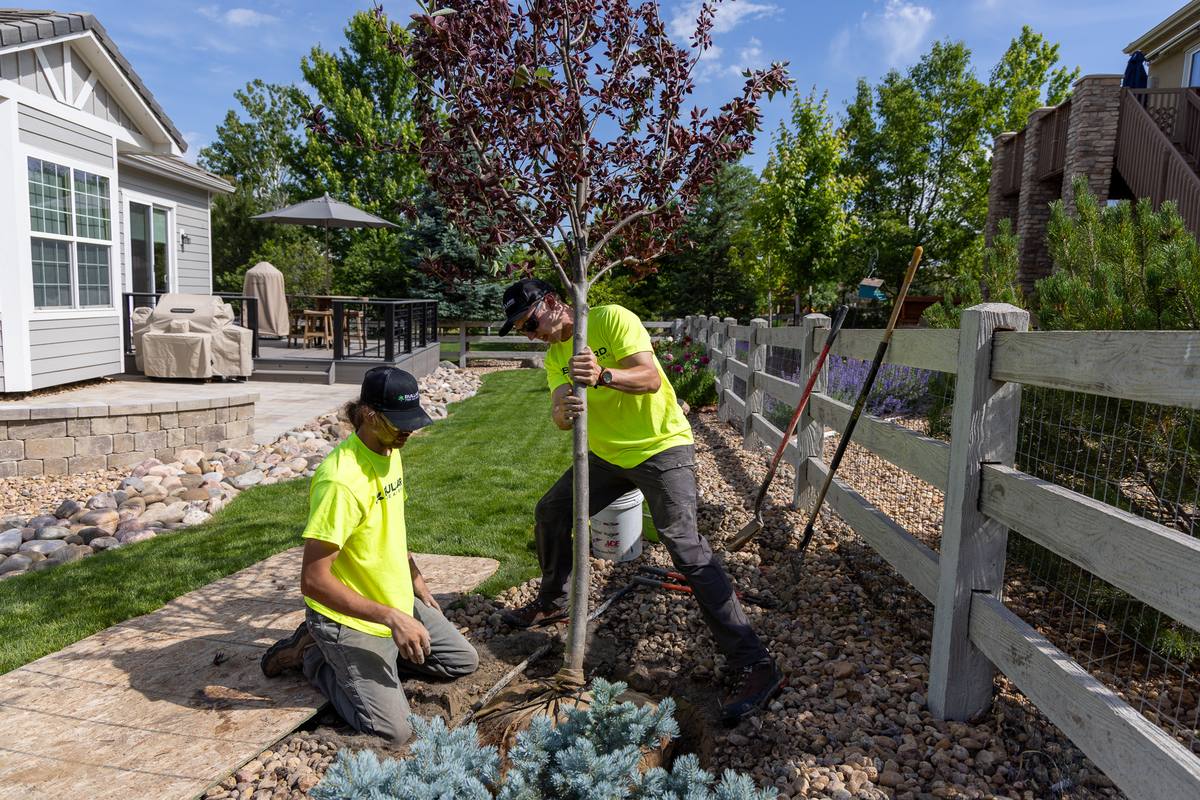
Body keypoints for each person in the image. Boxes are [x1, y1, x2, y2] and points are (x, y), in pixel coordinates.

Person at [496, 278, 782, 725]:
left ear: (552, 303)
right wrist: (561, 412)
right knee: (551, 512)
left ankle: (754, 661)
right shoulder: (555, 355)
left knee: (683, 543)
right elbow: (557, 411)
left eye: (529, 323)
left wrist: (604, 376)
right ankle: (553, 598)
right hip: (607, 457)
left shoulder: (611, 318)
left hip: (661, 447)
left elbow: (649, 378)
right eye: (520, 331)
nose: (529, 334)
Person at [260, 366, 478, 744]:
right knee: (394, 732)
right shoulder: (340, 481)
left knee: (463, 661)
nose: (408, 430)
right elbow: (313, 582)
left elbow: (391, 523)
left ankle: (379, 660)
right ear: (368, 416)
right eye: (399, 423)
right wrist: (393, 617)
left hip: (391, 600)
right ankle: (311, 655)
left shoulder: (389, 447)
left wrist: (415, 579)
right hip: (349, 619)